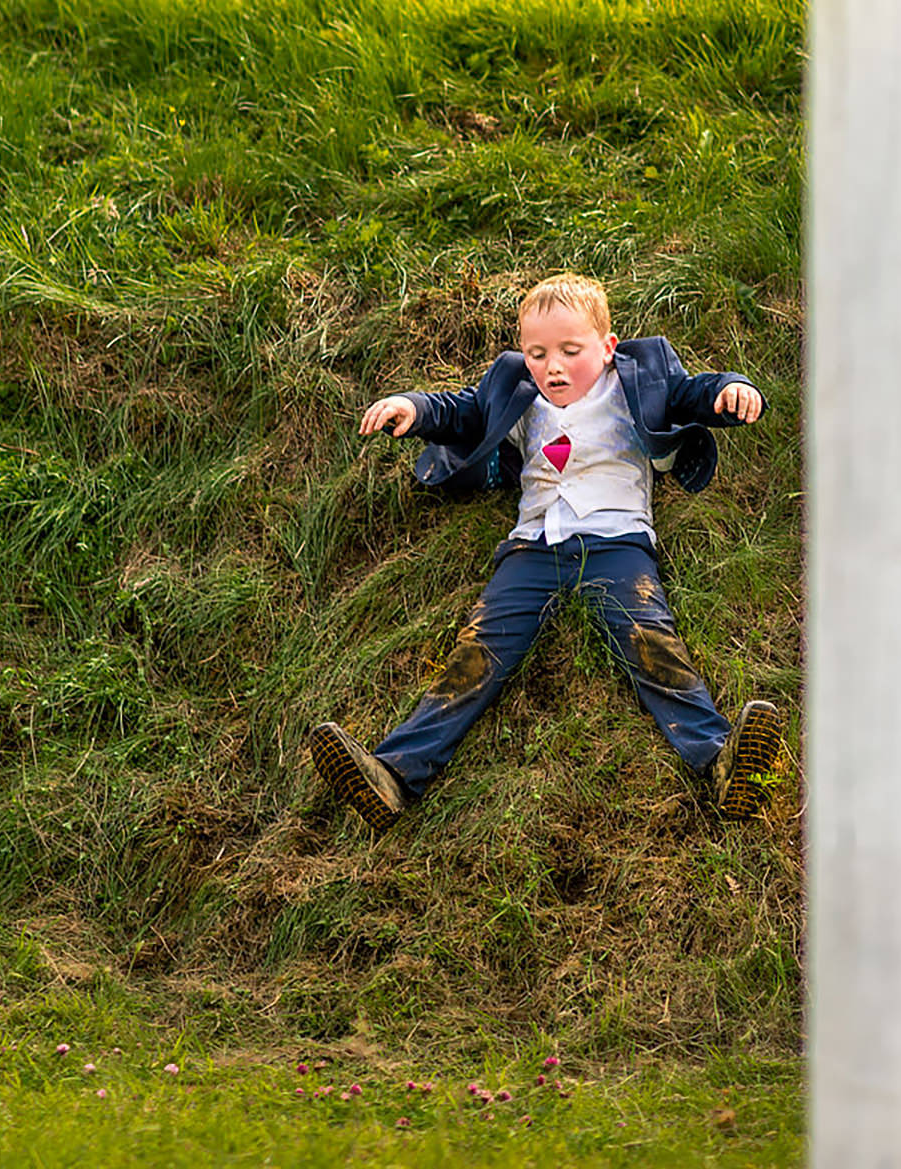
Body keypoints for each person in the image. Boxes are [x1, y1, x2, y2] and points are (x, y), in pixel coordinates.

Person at [307, 273, 786, 833]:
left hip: (616, 545)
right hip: (532, 548)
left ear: (607, 349)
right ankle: (393, 772)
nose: (552, 366)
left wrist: (731, 388)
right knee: (477, 652)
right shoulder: (520, 390)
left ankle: (724, 763)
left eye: (569, 351)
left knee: (651, 643)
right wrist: (413, 407)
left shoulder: (638, 377)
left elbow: (693, 393)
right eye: (536, 353)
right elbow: (461, 410)